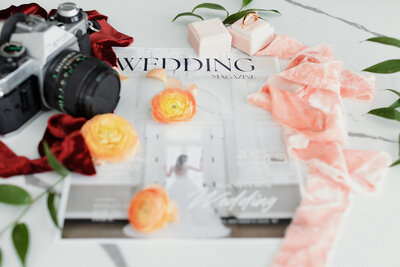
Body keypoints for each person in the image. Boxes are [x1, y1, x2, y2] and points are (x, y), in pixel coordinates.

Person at [123, 154, 231, 238]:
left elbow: (168, 175)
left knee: (176, 204)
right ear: (184, 161)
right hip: (187, 184)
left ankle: (173, 221)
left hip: (176, 184)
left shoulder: (174, 167)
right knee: (188, 204)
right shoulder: (186, 166)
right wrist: (201, 162)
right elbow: (199, 169)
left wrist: (165, 169)